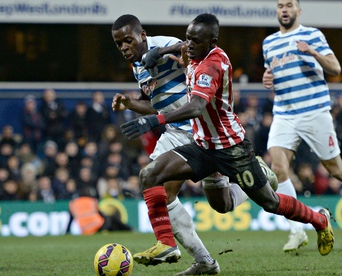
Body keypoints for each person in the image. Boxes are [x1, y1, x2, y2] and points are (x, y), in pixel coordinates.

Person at [121, 13, 334, 269]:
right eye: (188, 38)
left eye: (195, 41)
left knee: (270, 203)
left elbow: (196, 107)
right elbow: (179, 54)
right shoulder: (192, 54)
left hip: (230, 147)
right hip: (202, 145)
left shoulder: (213, 64)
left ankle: (319, 219)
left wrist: (156, 121)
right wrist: (162, 55)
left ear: (212, 42)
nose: (188, 45)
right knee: (150, 175)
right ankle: (166, 243)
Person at [111, 14, 280, 275]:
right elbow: (158, 103)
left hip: (201, 129)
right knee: (161, 188)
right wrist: (130, 104)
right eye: (118, 44)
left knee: (221, 204)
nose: (123, 47)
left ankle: (258, 177)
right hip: (176, 131)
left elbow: (190, 50)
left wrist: (160, 52)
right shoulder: (137, 66)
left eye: (127, 40)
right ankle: (201, 260)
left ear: (142, 35)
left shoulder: (164, 43)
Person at [262, 0, 342, 247]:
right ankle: (296, 230)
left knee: (337, 171)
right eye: (280, 5)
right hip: (284, 113)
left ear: (298, 10)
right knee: (278, 166)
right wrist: (268, 78)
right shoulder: (269, 43)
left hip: (315, 111)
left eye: (289, 5)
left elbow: (336, 68)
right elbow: (272, 73)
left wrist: (314, 53)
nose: (284, 9)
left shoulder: (312, 35)